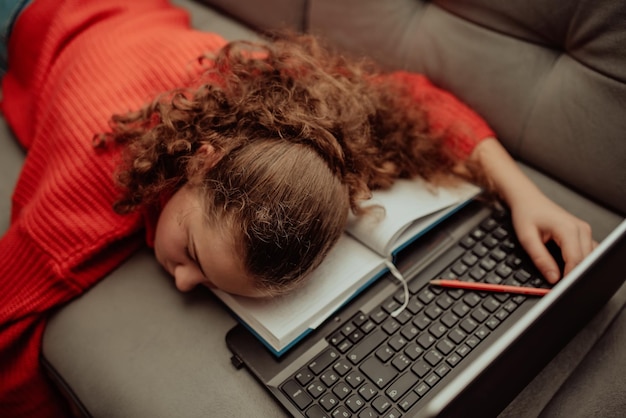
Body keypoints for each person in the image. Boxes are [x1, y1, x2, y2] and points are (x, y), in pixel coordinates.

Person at [0, 0, 595, 416]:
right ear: (203, 162)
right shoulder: (91, 181)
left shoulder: (290, 102)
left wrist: (525, 195)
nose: (183, 283)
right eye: (192, 254)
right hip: (32, 18)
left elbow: (416, 101)